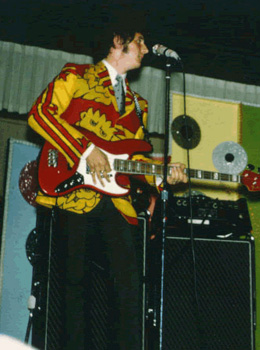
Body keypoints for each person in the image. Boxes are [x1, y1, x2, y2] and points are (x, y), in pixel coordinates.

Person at [28, 23, 187, 350]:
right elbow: (41, 114)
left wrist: (162, 175)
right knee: (74, 289)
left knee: (129, 291)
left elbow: (137, 165)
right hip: (73, 192)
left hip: (118, 204)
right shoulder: (76, 76)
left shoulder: (139, 105)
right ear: (118, 40)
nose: (145, 49)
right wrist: (86, 150)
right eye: (140, 41)